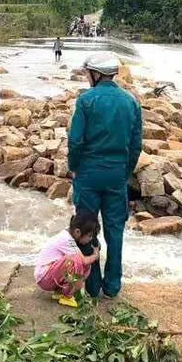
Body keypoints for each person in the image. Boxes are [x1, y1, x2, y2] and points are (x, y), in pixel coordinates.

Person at [68, 51, 142, 299]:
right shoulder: (131, 102)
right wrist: (125, 172)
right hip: (116, 175)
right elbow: (136, 146)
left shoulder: (86, 100)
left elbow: (75, 141)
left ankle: (92, 286)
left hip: (88, 174)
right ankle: (112, 286)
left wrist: (74, 166)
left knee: (87, 228)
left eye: (88, 73)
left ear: (96, 74)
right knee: (115, 230)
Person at [34, 210, 102, 308]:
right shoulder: (67, 240)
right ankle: (67, 296)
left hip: (47, 275)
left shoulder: (67, 234)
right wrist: (95, 255)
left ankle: (60, 292)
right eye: (89, 236)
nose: (90, 239)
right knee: (76, 261)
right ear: (77, 232)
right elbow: (83, 261)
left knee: (85, 266)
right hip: (44, 278)